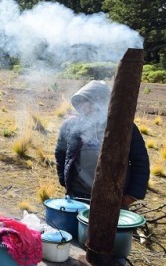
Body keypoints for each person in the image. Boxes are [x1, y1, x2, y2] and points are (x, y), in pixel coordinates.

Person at [55, 80, 150, 208]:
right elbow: (60, 152)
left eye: (88, 101)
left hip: (112, 196)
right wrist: (64, 180)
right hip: (78, 195)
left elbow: (140, 161)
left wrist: (132, 194)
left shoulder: (124, 127)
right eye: (80, 101)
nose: (83, 106)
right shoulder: (70, 125)